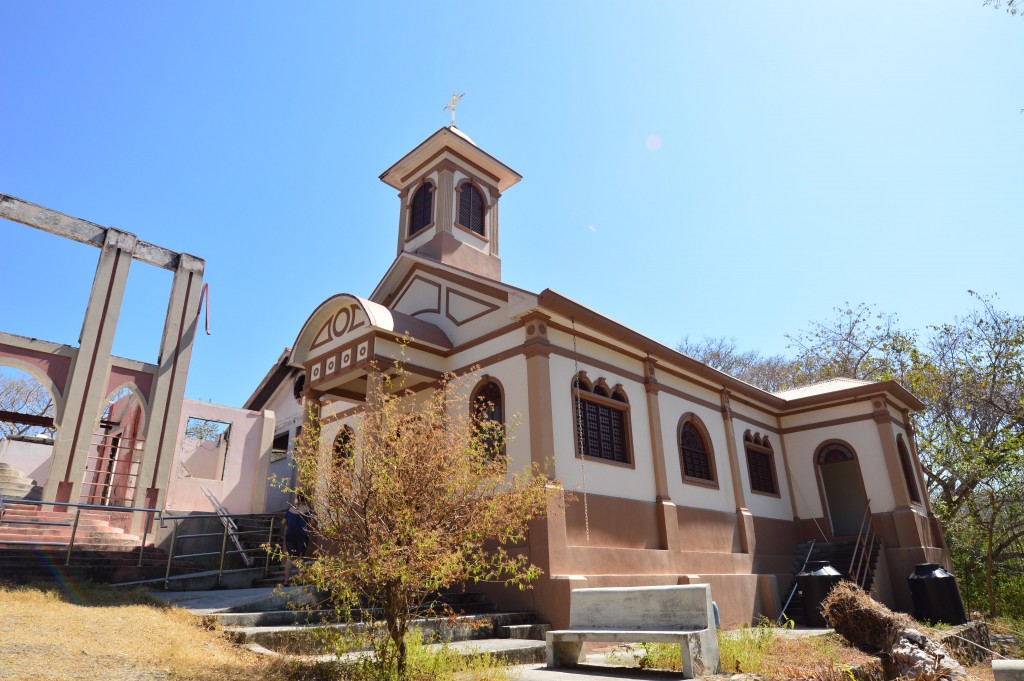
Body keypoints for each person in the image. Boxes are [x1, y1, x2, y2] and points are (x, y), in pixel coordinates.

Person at [283, 492, 310, 582]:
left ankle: (286, 580)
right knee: (300, 557)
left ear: (296, 499)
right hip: (302, 535)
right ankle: (299, 580)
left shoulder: (290, 509)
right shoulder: (307, 510)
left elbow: (283, 522)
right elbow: (312, 523)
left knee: (290, 557)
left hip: (290, 535)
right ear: (305, 499)